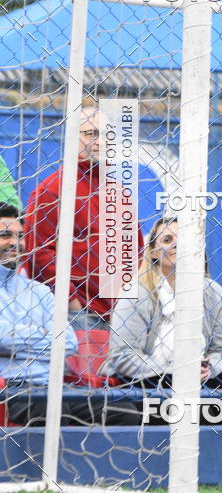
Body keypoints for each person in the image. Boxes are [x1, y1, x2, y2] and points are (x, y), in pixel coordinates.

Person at [106, 217, 222, 424]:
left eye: (183, 238)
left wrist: (209, 368)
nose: (176, 244)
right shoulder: (136, 292)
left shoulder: (211, 291)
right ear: (152, 253)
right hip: (151, 386)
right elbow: (123, 355)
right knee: (165, 414)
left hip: (202, 384)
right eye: (167, 239)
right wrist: (176, 371)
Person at [0, 204, 137, 426]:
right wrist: (45, 335)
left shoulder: (39, 291)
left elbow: (69, 342)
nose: (15, 243)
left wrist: (16, 340)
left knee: (125, 409)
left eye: (20, 236)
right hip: (11, 391)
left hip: (55, 386)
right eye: (5, 235)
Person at [23, 106, 144, 331]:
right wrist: (72, 302)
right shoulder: (51, 190)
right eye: (90, 133)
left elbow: (135, 251)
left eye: (107, 135)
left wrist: (126, 302)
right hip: (77, 313)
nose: (100, 141)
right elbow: (38, 253)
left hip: (119, 313)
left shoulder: (119, 194)